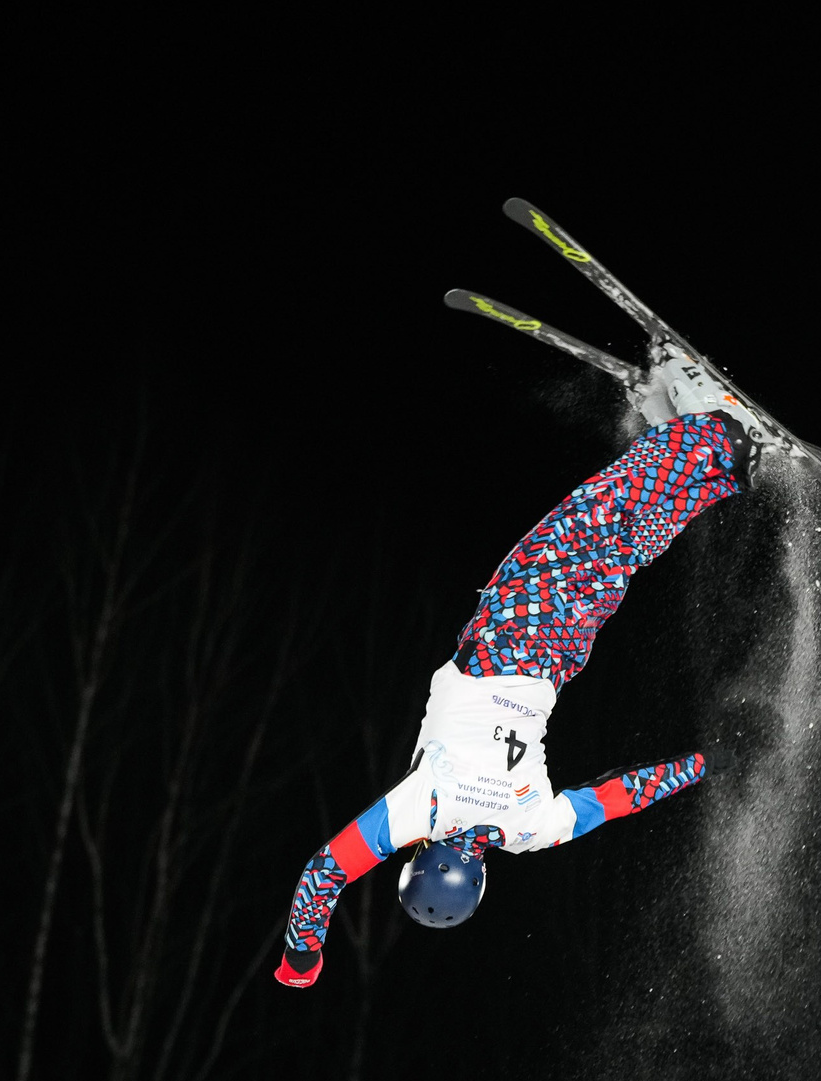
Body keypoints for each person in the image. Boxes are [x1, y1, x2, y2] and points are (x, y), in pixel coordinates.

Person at [274, 362, 759, 989]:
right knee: (595, 514)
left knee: (625, 549)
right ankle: (708, 434)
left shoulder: (530, 830)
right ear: (421, 858)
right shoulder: (421, 810)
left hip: (562, 655)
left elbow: (620, 795)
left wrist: (704, 765)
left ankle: (718, 472)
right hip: (511, 630)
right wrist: (301, 961)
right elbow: (324, 875)